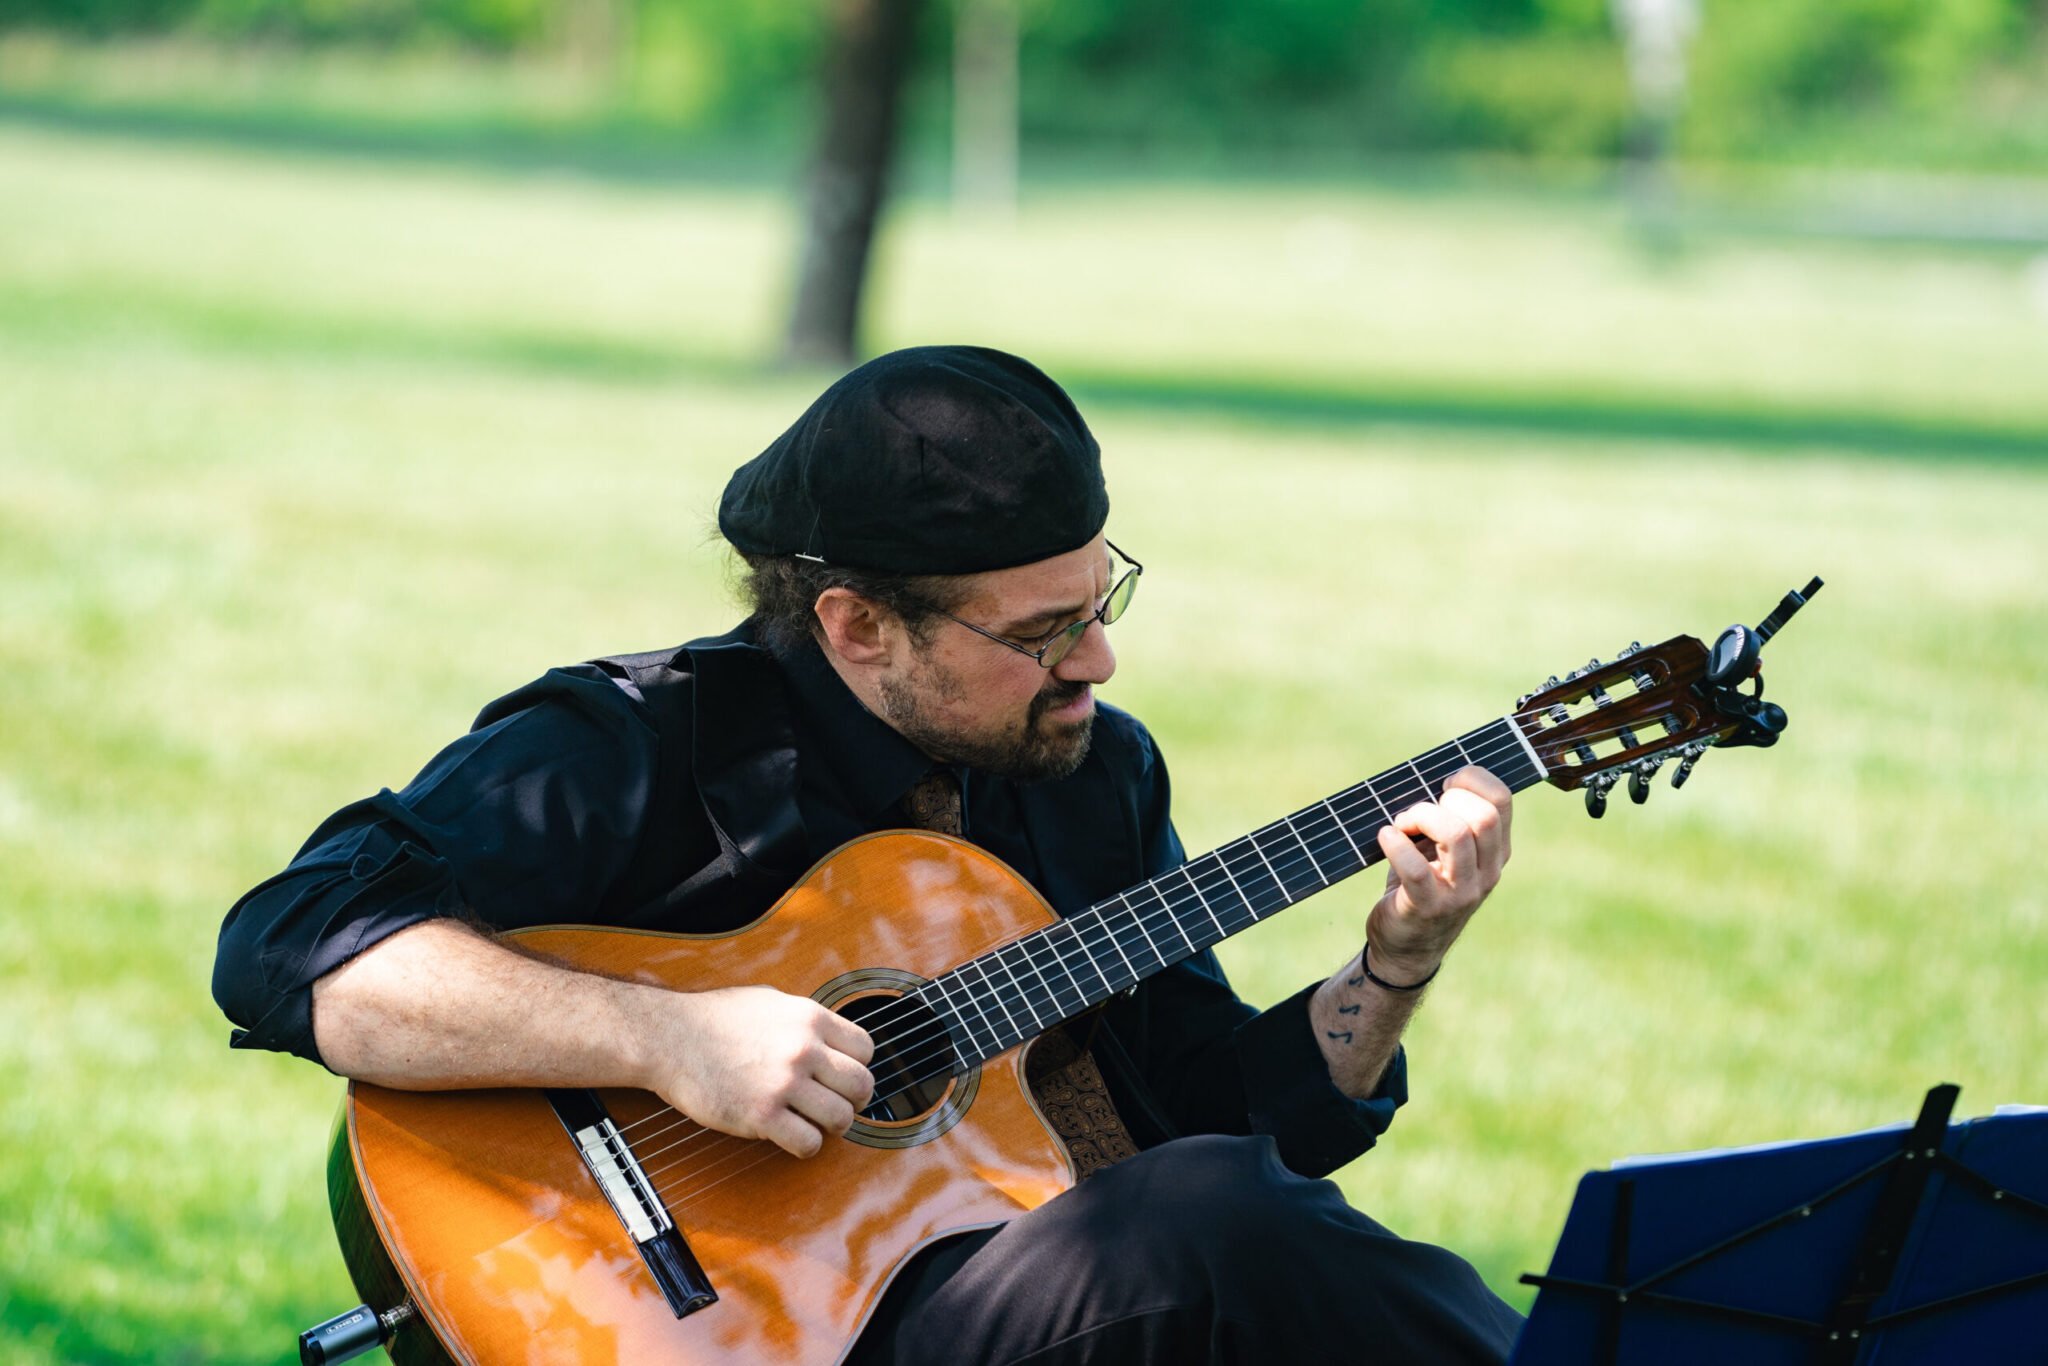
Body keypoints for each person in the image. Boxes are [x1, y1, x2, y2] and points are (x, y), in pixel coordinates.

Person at [214, 345, 1526, 1364]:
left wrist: (1396, 962)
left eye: (1101, 602)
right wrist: (668, 1041)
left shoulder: (1094, 773)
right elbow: (293, 947)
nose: (1099, 661)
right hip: (710, 1315)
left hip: (1000, 1296)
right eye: (1041, 631)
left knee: (1214, 1201)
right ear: (855, 624)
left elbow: (1212, 1116)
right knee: (1211, 1222)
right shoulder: (628, 745)